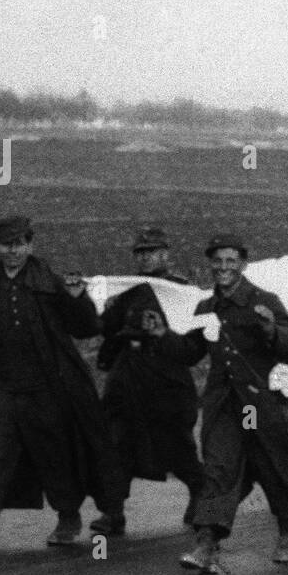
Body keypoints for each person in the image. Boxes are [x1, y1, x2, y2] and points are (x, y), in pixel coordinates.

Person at [0, 214, 117, 554]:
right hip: (1, 389)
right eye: (6, 245)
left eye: (19, 244)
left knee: (55, 455)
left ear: (30, 245)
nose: (13, 251)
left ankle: (68, 517)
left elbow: (86, 327)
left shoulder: (52, 285)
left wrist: (77, 299)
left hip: (48, 390)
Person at [177, 234, 288, 573]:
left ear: (242, 263)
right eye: (217, 261)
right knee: (218, 467)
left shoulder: (263, 300)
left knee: (272, 464)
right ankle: (206, 544)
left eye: (231, 260)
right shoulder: (206, 307)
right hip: (225, 405)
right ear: (209, 264)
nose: (223, 267)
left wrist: (272, 329)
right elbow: (189, 352)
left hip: (257, 407)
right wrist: (160, 338)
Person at [93, 227, 205, 537]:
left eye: (152, 252)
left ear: (165, 254)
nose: (145, 258)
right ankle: (112, 513)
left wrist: (163, 337)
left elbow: (194, 349)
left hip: (166, 384)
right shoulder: (128, 291)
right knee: (117, 446)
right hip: (127, 381)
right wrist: (107, 313)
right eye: (140, 253)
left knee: (178, 450)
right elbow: (106, 329)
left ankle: (199, 491)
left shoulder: (181, 292)